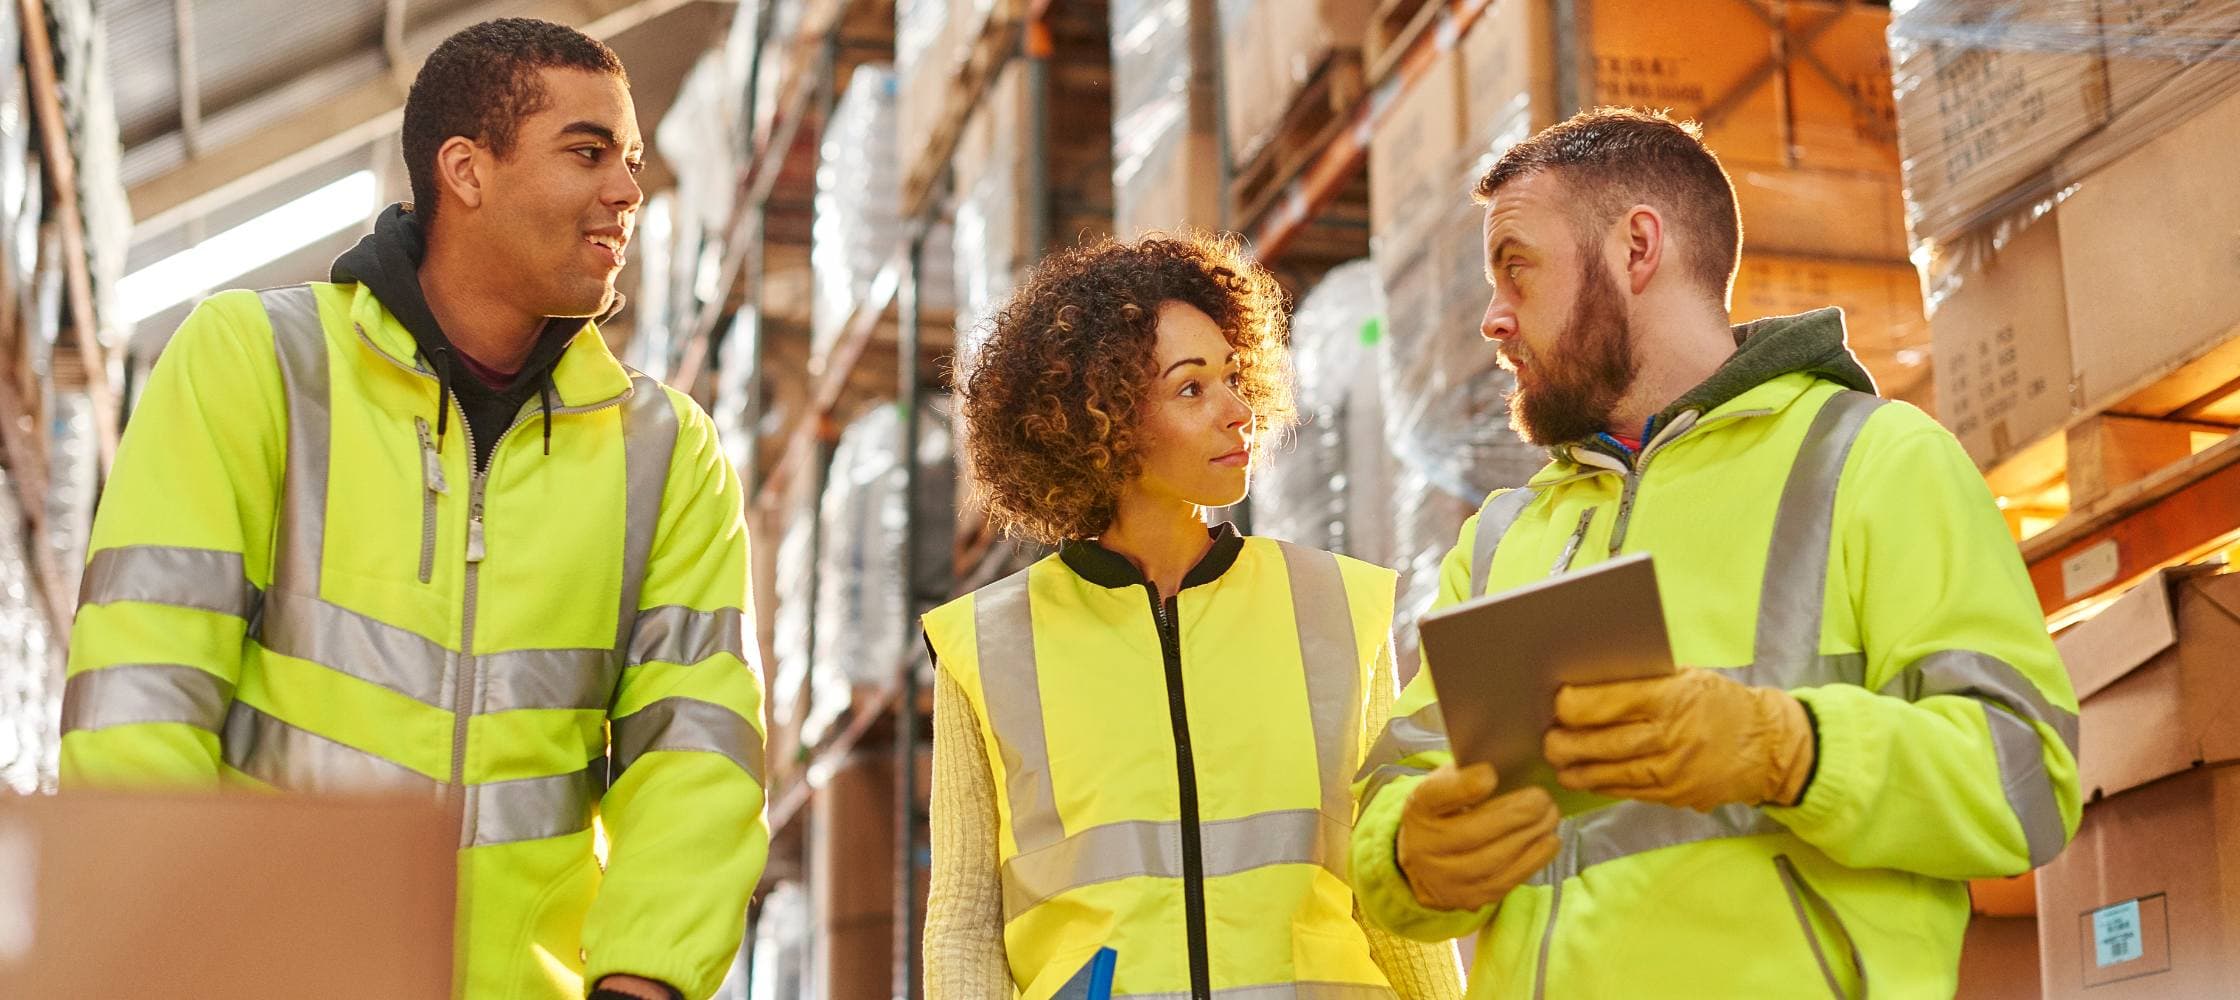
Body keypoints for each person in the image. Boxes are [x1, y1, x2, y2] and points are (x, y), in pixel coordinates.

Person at [58, 19, 765, 1000]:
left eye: (632, 160)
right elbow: (141, 693)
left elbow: (696, 748)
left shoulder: (664, 452)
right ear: (466, 170)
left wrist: (644, 981)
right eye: (588, 152)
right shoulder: (254, 363)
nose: (628, 192)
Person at [1348, 108, 2081, 996]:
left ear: (1636, 249)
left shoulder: (1876, 462)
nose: (1494, 321)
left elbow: (2026, 783)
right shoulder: (1501, 541)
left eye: (1517, 269)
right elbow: (1400, 786)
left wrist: (1789, 750)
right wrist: (1409, 856)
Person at [920, 236, 1463, 1000]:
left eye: (1235, 377)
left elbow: (1389, 902)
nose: (1239, 412)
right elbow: (965, 927)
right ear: (1099, 421)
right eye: (1191, 388)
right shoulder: (987, 643)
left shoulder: (1337, 607)